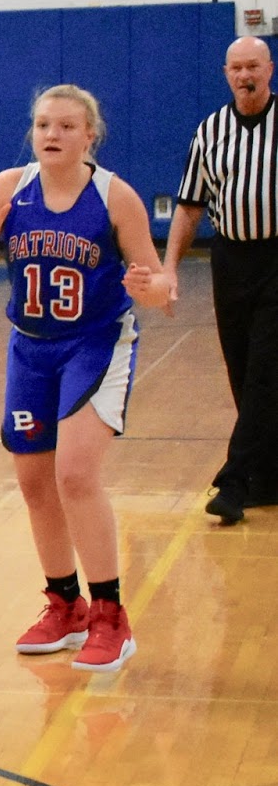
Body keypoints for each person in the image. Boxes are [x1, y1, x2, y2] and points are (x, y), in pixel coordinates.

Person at [0, 85, 170, 673]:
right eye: (43, 124)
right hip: (30, 350)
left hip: (95, 346)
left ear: (89, 134)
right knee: (35, 482)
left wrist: (154, 288)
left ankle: (110, 616)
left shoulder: (115, 197)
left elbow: (162, 283)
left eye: (67, 126)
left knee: (74, 475)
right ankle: (63, 604)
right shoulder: (7, 189)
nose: (52, 135)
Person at [164, 36, 278, 525]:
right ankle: (269, 478)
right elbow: (189, 207)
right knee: (241, 366)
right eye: (236, 68)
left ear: (269, 69)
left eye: (253, 65)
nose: (245, 75)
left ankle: (234, 480)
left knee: (264, 368)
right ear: (226, 74)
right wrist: (170, 268)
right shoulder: (210, 131)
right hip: (230, 260)